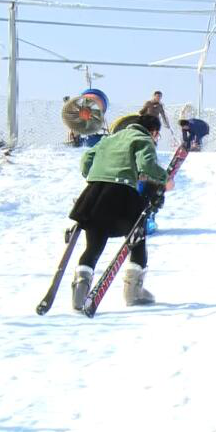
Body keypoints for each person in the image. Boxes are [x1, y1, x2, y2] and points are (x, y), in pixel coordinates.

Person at [68, 115, 171, 310]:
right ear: (153, 131)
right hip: (122, 194)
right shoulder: (143, 139)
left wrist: (96, 175)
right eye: (157, 135)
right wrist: (165, 179)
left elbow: (86, 159)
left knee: (94, 245)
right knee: (137, 240)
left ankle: (79, 292)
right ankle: (133, 292)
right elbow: (147, 165)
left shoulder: (108, 139)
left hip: (94, 194)